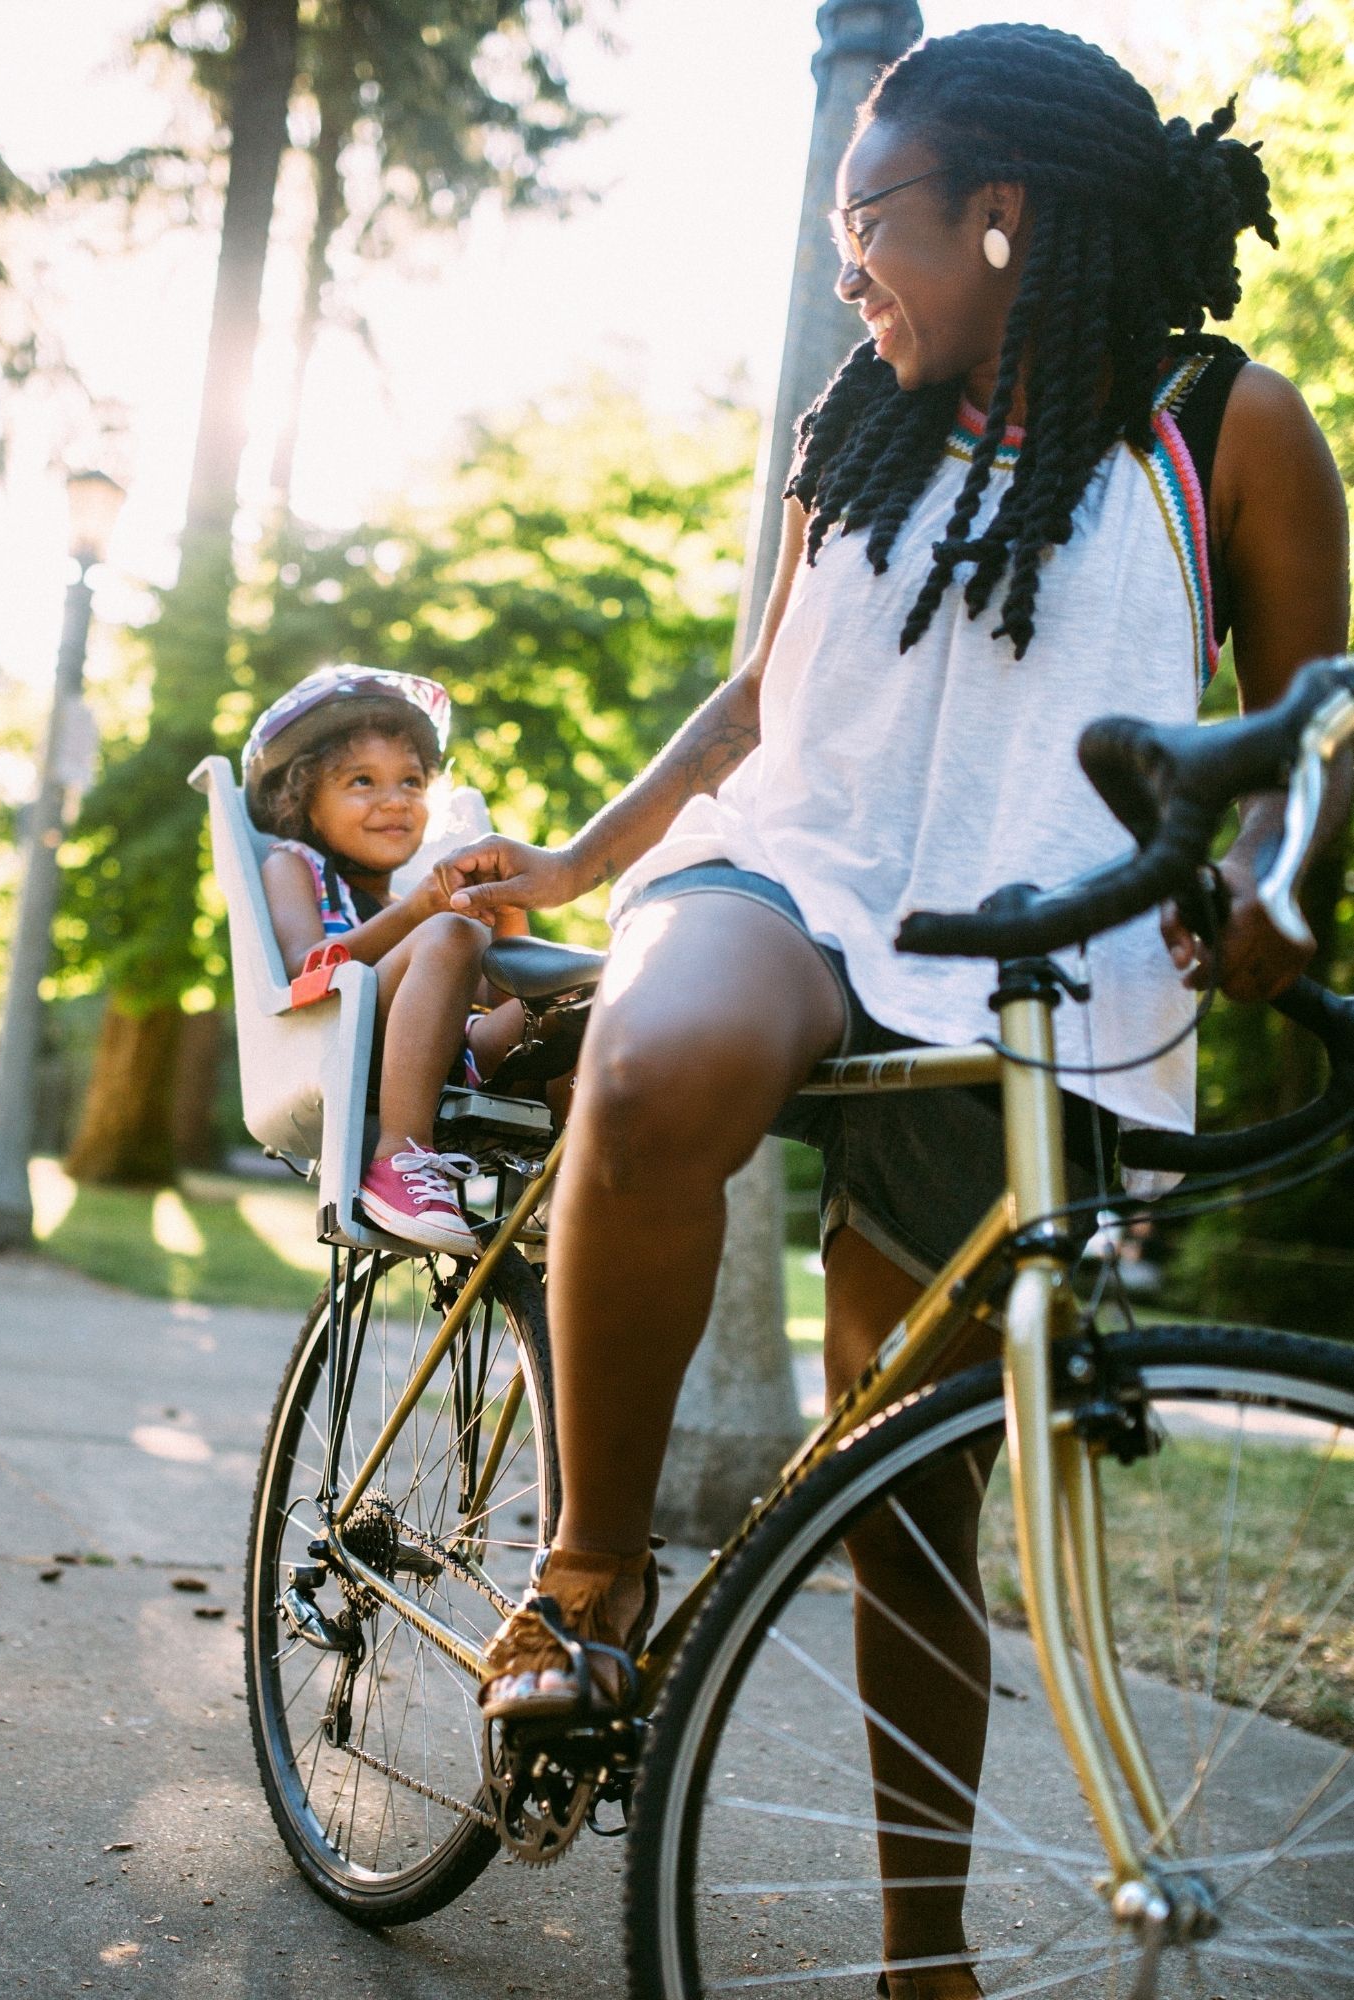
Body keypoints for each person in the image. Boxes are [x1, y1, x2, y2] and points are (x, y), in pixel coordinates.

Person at [437, 25, 1349, 1998]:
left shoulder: (1225, 422)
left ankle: (920, 1959)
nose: (844, 265)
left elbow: (1317, 722)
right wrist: (592, 860)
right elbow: (764, 693)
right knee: (664, 1056)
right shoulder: (855, 413)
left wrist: (1278, 884)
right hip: (807, 867)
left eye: (871, 221)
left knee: (914, 1485)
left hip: (1040, 936)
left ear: (998, 218)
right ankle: (585, 1577)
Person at [245, 664, 542, 1255]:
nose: (395, 801)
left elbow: (504, 1005)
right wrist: (420, 917)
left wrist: (509, 907)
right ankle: (399, 1156)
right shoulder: (295, 865)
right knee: (451, 933)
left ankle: (563, 1185)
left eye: (411, 782)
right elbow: (307, 969)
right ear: (305, 802)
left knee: (577, 995)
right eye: (362, 781)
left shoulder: (412, 896)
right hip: (338, 1041)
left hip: (451, 1051)